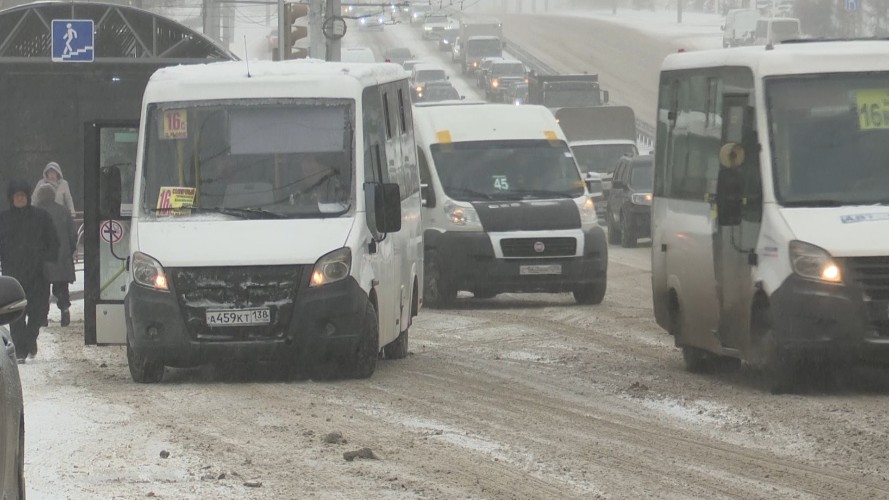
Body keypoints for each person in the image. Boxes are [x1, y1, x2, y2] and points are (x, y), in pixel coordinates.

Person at [0, 179, 59, 362]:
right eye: (16, 196)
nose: (19, 199)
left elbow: (53, 241)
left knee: (38, 312)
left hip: (38, 274)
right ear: (11, 198)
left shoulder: (41, 217)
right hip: (13, 275)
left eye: (22, 195)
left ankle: (30, 339)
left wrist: (47, 260)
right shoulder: (3, 219)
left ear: (27, 197)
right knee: (15, 312)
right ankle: (19, 349)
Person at [32, 183, 77, 327]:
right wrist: (70, 250)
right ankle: (64, 309)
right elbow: (72, 233)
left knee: (42, 289)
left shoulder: (35, 213)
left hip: (42, 259)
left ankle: (42, 317)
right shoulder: (63, 211)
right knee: (62, 287)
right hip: (61, 258)